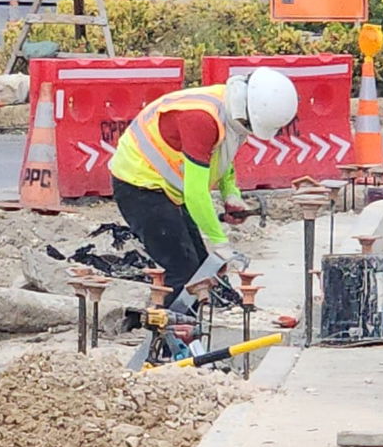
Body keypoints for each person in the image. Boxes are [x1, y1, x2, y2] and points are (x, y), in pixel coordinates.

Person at [107, 70, 299, 306]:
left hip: (166, 189)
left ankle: (186, 329)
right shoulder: (201, 119)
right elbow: (196, 194)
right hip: (138, 186)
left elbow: (223, 158)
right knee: (183, 272)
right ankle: (170, 337)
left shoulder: (232, 113)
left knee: (200, 267)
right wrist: (220, 242)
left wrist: (231, 194)